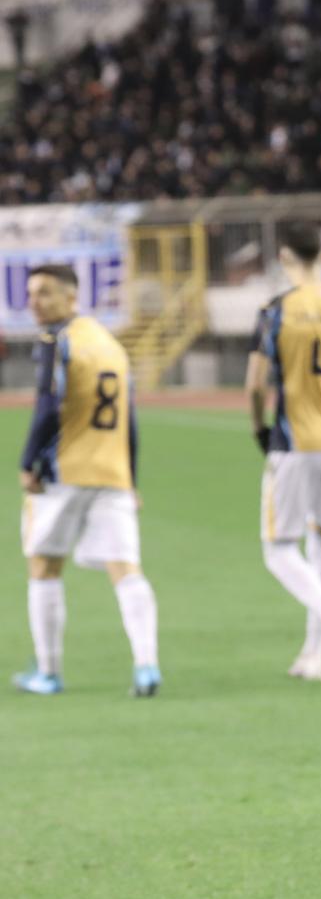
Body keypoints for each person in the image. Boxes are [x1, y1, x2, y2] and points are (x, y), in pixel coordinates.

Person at [13, 265, 161, 698]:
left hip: (66, 471)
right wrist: (130, 478)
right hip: (111, 472)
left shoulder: (58, 342)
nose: (34, 301)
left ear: (71, 297)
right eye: (31, 293)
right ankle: (147, 665)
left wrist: (27, 463)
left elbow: (47, 406)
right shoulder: (110, 344)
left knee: (43, 565)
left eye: (44, 293)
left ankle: (49, 671)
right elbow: (129, 418)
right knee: (126, 569)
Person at [247, 225, 321, 680]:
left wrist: (259, 428)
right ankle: (315, 655)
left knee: (278, 549)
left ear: (284, 257)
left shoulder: (278, 310)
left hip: (297, 439)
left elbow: (256, 384)